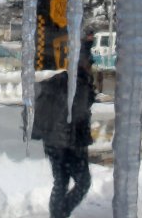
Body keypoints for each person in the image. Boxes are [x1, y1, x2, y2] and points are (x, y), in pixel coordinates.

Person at [31, 38, 97, 218]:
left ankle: (58, 214)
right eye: (89, 61)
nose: (91, 65)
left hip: (56, 141)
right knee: (81, 182)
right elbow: (77, 115)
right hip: (68, 143)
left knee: (61, 181)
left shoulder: (63, 80)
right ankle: (61, 213)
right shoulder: (78, 83)